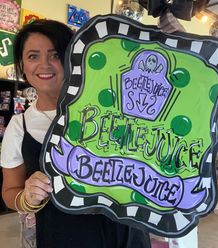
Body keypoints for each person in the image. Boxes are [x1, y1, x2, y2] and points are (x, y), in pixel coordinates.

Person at [0, 19, 151, 248]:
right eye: (33, 56)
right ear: (22, 64)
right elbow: (9, 192)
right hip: (62, 237)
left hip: (124, 234)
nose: (45, 65)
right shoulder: (20, 125)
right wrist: (27, 197)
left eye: (55, 55)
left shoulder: (111, 106)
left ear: (72, 58)